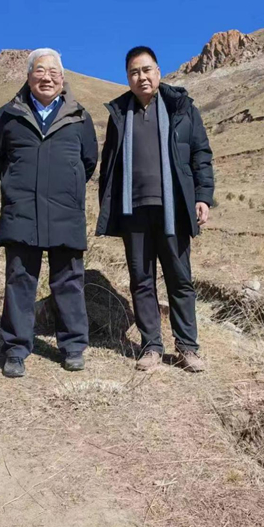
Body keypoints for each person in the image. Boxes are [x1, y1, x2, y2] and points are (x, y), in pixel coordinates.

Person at [96, 46, 214, 372]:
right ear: (127, 78)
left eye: (146, 70)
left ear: (159, 72)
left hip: (173, 208)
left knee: (180, 279)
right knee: (141, 280)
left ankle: (187, 348)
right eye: (134, 72)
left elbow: (200, 154)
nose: (141, 77)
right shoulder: (120, 113)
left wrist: (202, 196)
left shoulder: (181, 108)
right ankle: (151, 347)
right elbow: (109, 164)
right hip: (133, 211)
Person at [0, 48, 98, 378]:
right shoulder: (8, 115)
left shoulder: (80, 117)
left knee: (69, 281)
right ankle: (16, 349)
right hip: (22, 211)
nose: (46, 77)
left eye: (53, 72)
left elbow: (88, 162)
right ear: (28, 76)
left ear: (62, 78)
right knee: (20, 280)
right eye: (40, 71)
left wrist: (67, 186)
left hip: (65, 211)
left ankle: (73, 346)